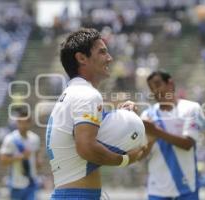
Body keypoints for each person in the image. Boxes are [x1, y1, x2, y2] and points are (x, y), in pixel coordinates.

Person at [46, 28, 145, 200]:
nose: (110, 58)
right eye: (102, 52)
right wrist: (125, 159)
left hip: (72, 193)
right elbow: (86, 147)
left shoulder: (73, 93)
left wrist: (120, 116)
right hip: (78, 196)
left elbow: (81, 138)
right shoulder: (87, 95)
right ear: (82, 58)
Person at [141, 70, 201, 200]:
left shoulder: (191, 108)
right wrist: (150, 139)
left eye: (158, 85)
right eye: (152, 88)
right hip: (157, 190)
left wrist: (156, 131)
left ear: (170, 84)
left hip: (187, 188)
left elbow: (188, 144)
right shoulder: (147, 116)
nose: (156, 91)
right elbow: (141, 155)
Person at [0, 110, 41, 200]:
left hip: (31, 182)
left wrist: (38, 163)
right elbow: (3, 161)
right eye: (21, 122)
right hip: (16, 184)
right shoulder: (10, 139)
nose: (23, 125)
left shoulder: (35, 139)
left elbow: (37, 158)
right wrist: (20, 156)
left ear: (30, 122)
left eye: (26, 122)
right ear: (17, 122)